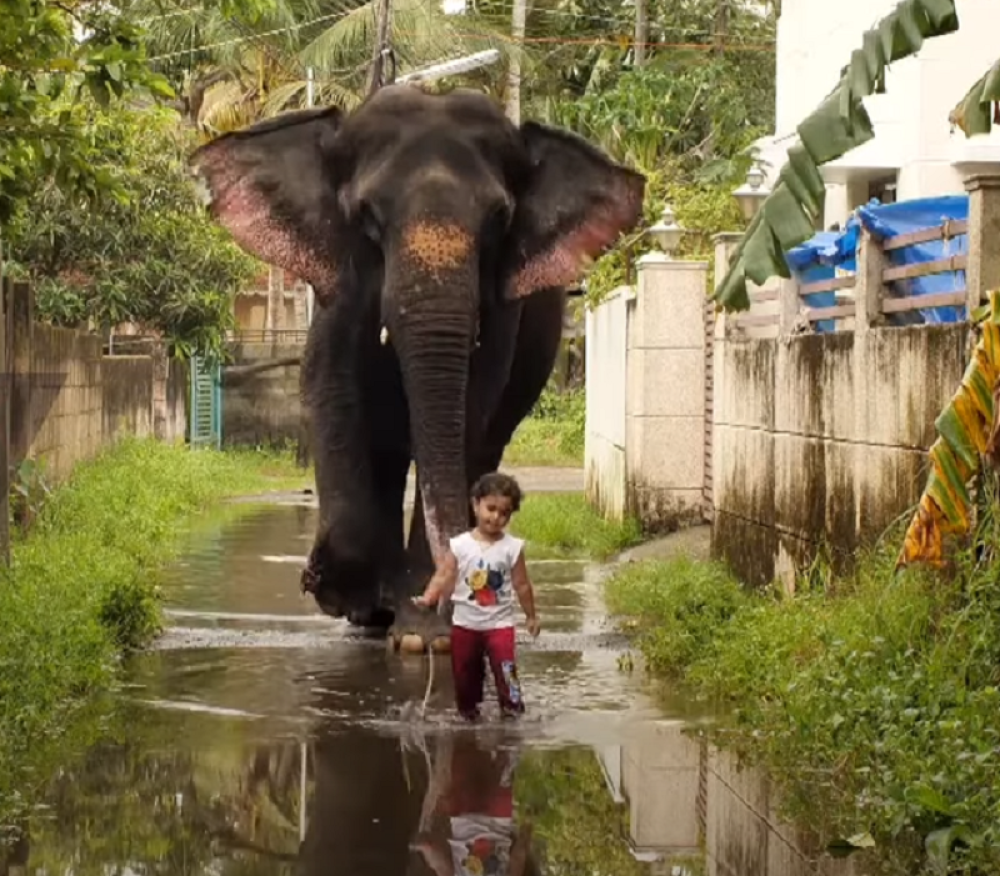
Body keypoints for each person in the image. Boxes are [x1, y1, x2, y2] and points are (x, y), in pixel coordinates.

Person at [413, 472, 540, 721]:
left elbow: (522, 585)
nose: (496, 517)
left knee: (506, 670)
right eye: (490, 508)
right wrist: (428, 598)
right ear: (476, 505)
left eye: (504, 513)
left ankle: (514, 708)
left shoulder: (512, 548)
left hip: (500, 626)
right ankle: (468, 713)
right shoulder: (460, 545)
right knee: (463, 673)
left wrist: (531, 616)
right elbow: (444, 575)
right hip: (465, 625)